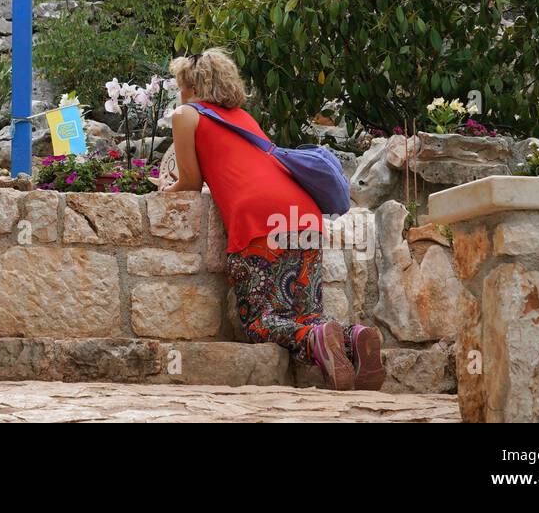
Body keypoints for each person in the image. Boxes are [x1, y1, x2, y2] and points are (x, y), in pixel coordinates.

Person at [161, 48, 383, 391]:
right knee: (309, 314)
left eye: (180, 85)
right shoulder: (243, 118)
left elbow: (190, 181)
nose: (179, 92)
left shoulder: (186, 115)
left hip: (259, 220)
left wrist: (162, 190)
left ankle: (316, 340)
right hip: (303, 213)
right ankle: (356, 337)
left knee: (260, 324)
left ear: (191, 85)